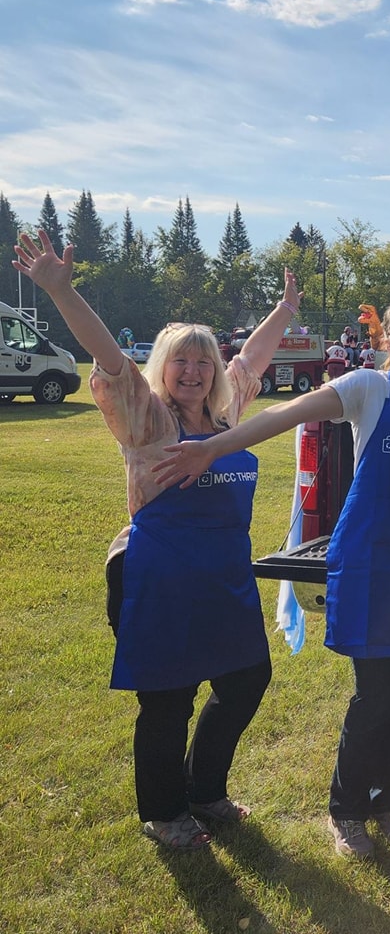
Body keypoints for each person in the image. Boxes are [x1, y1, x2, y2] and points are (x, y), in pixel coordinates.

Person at [152, 225, 390, 859]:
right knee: (375, 692)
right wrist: (212, 449)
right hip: (367, 561)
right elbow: (284, 416)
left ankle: (385, 803)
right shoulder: (366, 389)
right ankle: (347, 811)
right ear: (387, 340)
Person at [12, 230, 305, 851]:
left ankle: (205, 791)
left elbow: (249, 361)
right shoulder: (147, 418)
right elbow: (110, 361)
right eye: (182, 361)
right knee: (168, 700)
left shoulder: (224, 421)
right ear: (163, 369)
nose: (195, 372)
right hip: (161, 578)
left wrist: (283, 313)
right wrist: (63, 292)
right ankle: (166, 811)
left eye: (204, 361)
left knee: (246, 679)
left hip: (223, 577)